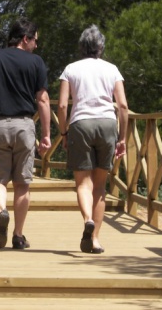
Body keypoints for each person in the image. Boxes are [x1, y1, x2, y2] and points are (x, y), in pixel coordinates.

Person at [0, 17, 51, 250]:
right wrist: (46, 134)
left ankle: (2, 210)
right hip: (24, 126)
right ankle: (18, 236)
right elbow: (43, 99)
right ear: (26, 38)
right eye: (35, 40)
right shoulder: (35, 62)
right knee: (23, 183)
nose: (36, 45)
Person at [57, 24, 128, 254]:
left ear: (81, 46)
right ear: (101, 46)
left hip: (81, 125)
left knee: (83, 184)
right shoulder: (112, 69)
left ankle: (87, 218)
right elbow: (124, 106)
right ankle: (95, 238)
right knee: (99, 185)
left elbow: (61, 105)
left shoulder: (71, 69)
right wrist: (123, 138)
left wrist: (64, 133)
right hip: (107, 124)